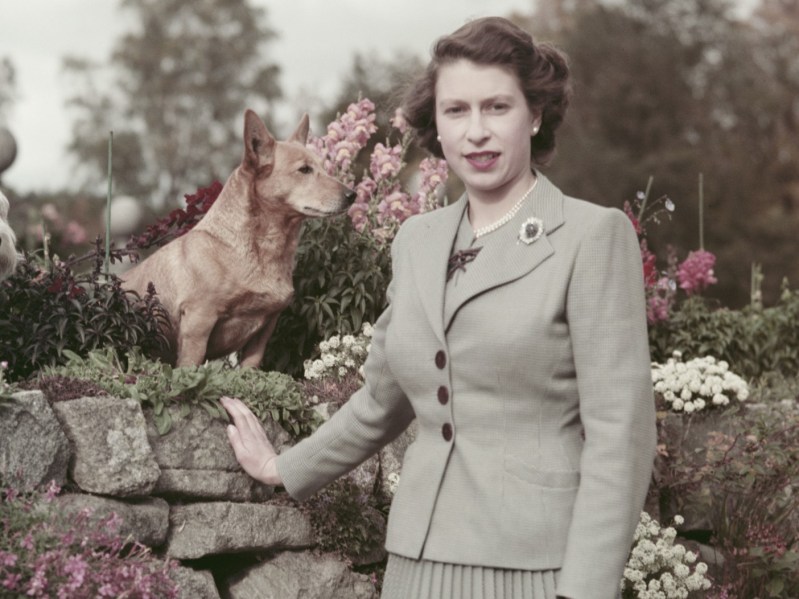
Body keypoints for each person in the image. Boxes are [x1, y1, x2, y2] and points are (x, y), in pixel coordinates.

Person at [222, 16, 656, 599]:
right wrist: (283, 467)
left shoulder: (593, 236)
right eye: (456, 111)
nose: (476, 131)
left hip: (538, 571)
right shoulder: (416, 240)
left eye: (496, 107)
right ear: (438, 125)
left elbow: (620, 436)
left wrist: (583, 592)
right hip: (416, 566)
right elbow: (381, 402)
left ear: (534, 115)